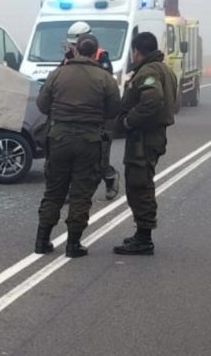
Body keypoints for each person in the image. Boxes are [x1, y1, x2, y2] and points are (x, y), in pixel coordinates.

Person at [35, 34, 121, 258]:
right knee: (81, 193)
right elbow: (113, 111)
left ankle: (42, 240)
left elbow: (42, 105)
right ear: (95, 53)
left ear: (76, 51)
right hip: (89, 140)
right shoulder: (105, 78)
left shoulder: (57, 74)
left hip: (59, 138)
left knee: (54, 190)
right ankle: (73, 244)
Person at [113, 32, 177, 255]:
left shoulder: (149, 71)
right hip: (153, 135)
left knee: (139, 185)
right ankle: (142, 234)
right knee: (142, 182)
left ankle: (144, 238)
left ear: (138, 52)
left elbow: (153, 99)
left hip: (144, 138)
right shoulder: (164, 69)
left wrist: (130, 120)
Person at [63, 21, 119, 200]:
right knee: (72, 157)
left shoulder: (102, 58)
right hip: (76, 117)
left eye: (75, 44)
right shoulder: (66, 59)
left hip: (100, 118)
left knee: (100, 160)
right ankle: (72, 192)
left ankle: (110, 177)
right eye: (71, 44)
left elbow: (107, 86)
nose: (73, 48)